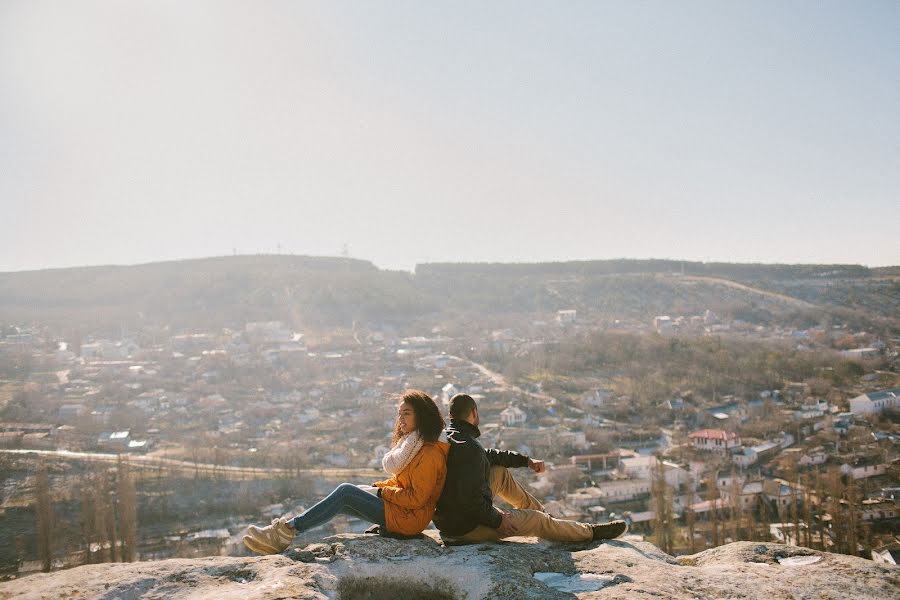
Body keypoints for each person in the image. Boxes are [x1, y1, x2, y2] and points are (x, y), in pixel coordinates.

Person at [243, 390, 449, 555]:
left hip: (409, 520)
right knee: (343, 499)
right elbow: (400, 483)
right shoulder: (412, 446)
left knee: (345, 492)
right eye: (399, 414)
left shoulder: (429, 453)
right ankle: (284, 533)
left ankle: (286, 531)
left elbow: (416, 499)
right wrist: (376, 488)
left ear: (421, 416)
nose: (400, 419)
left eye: (407, 413)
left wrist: (380, 493)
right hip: (403, 513)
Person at [433, 393, 627, 544]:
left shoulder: (453, 438)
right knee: (537, 521)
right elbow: (472, 501)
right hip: (465, 529)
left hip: (452, 519)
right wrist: (498, 520)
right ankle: (590, 532)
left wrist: (526, 461)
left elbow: (490, 456)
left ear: (450, 415)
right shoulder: (470, 448)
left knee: (499, 472)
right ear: (474, 412)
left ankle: (549, 520)